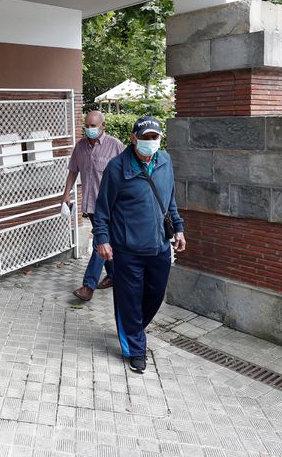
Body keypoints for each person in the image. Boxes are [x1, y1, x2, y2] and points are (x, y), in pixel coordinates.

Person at [92, 116, 186, 374]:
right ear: (133, 139)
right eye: (144, 138)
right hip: (127, 249)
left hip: (159, 247)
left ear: (160, 139)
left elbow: (169, 200)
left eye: (154, 138)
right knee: (130, 299)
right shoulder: (117, 168)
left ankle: (130, 327)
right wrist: (102, 239)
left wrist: (178, 228)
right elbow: (102, 211)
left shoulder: (165, 161)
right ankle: (136, 347)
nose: (149, 142)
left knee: (155, 295)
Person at [62, 110, 125, 301]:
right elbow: (73, 171)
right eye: (87, 126)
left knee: (100, 242)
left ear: (102, 126)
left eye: (93, 126)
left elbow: (127, 174)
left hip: (110, 206)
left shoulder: (115, 146)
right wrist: (66, 194)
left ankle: (88, 286)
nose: (89, 129)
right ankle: (114, 276)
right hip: (90, 205)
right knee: (104, 243)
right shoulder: (80, 146)